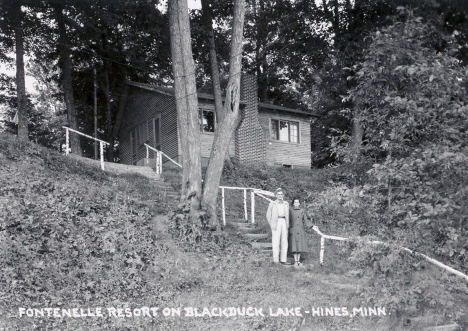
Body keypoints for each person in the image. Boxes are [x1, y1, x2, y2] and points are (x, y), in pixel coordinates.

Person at [266, 188, 291, 265]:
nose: (280, 196)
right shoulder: (272, 204)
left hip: (284, 221)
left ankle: (283, 259)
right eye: (278, 194)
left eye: (281, 194)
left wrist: (287, 223)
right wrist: (271, 224)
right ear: (276, 195)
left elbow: (288, 214)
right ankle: (276, 260)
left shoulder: (286, 203)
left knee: (284, 241)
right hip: (276, 223)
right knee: (276, 241)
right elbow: (268, 215)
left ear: (283, 195)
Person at [288, 197, 315, 267]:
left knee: (299, 245)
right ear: (293, 203)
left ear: (299, 203)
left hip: (300, 229)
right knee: (294, 245)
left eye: (297, 202)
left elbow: (305, 220)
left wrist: (312, 226)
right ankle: (295, 261)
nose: (296, 203)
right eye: (295, 202)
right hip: (293, 229)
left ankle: (298, 261)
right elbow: (288, 220)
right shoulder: (290, 210)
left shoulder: (302, 210)